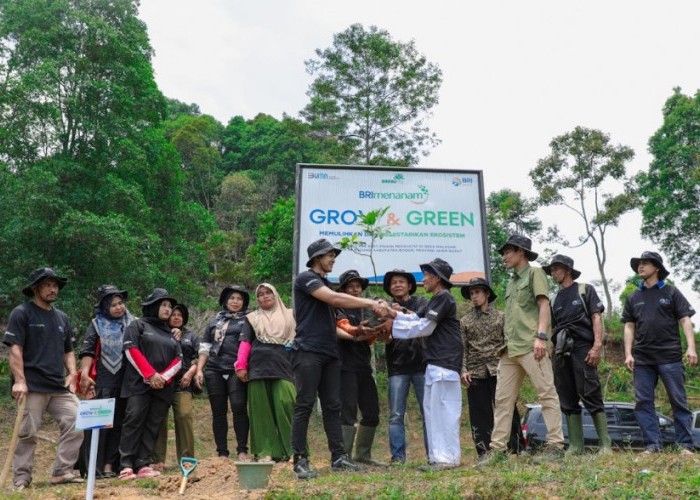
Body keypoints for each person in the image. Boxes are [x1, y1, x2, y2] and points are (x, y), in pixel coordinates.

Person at [290, 238, 385, 480]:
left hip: (331, 353)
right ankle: (300, 460)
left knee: (333, 406)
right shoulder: (306, 279)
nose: (333, 259)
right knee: (304, 404)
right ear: (316, 258)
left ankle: (339, 457)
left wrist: (355, 333)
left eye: (334, 255)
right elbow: (335, 299)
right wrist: (371, 302)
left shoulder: (325, 283)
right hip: (308, 351)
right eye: (329, 255)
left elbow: (332, 326)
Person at [478, 234, 564, 466]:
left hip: (531, 345)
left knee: (546, 393)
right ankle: (497, 450)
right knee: (503, 400)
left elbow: (543, 304)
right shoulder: (511, 282)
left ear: (521, 252)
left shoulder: (535, 273)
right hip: (509, 350)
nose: (504, 256)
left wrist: (541, 336)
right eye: (504, 252)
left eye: (508, 251)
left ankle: (555, 445)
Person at [3, 267, 84, 490]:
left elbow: (68, 351)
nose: (53, 289)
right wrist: (20, 380)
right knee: (27, 432)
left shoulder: (62, 318)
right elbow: (15, 349)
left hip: (58, 385)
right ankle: (22, 477)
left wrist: (72, 374)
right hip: (32, 385)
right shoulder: (22, 313)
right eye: (47, 285)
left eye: (55, 285)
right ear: (35, 288)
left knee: (77, 419)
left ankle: (62, 471)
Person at [380, 258, 463, 471]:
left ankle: (448, 458)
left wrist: (393, 327)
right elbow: (415, 318)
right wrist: (394, 314)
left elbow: (424, 327)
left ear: (437, 277)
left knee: (444, 412)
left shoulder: (444, 297)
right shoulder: (437, 299)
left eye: (426, 275)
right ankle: (438, 458)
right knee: (433, 412)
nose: (423, 279)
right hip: (435, 363)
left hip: (444, 363)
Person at [623, 251, 697, 455]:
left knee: (678, 400)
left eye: (645, 263)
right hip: (643, 359)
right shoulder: (633, 297)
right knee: (643, 402)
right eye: (639, 263)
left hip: (670, 357)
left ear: (656, 268)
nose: (640, 266)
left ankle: (684, 446)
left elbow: (685, 320)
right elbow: (629, 326)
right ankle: (652, 445)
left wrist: (691, 347)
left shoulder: (671, 293)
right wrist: (628, 353)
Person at [544, 255, 612, 455]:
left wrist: (597, 346)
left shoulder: (585, 290)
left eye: (556, 268)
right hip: (560, 351)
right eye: (552, 269)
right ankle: (576, 446)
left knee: (590, 391)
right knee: (566, 395)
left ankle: (605, 444)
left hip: (583, 348)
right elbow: (554, 329)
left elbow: (596, 317)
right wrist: (551, 354)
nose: (553, 273)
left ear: (567, 270)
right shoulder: (554, 299)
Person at [118, 288, 182, 480]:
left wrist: (162, 378)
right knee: (133, 420)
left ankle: (143, 464)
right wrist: (150, 374)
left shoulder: (171, 333)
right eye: (163, 305)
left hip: (163, 387)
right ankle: (126, 465)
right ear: (153, 306)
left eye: (170, 306)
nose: (168, 309)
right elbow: (131, 350)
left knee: (153, 424)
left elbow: (179, 359)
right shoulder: (137, 325)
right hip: (138, 385)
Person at [459, 277, 525, 458]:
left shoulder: (501, 317)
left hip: (500, 369)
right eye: (472, 293)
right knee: (480, 414)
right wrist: (463, 370)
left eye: (478, 292)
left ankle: (518, 448)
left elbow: (508, 343)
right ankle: (485, 452)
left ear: (487, 294)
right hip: (475, 371)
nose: (474, 296)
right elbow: (463, 348)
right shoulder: (465, 321)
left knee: (508, 408)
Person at [78, 284, 135, 478]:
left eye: (121, 303)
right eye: (113, 305)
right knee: (99, 425)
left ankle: (111, 465)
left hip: (126, 380)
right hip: (102, 379)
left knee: (119, 423)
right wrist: (85, 373)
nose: (119, 307)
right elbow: (87, 350)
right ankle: (94, 467)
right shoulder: (96, 324)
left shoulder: (133, 323)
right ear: (104, 308)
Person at [235, 283, 296, 462]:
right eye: (260, 294)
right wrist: (241, 366)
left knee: (287, 404)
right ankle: (265, 452)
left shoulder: (292, 315)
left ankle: (294, 450)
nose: (264, 296)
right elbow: (245, 342)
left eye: (268, 292)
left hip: (284, 365)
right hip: (258, 366)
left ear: (276, 294)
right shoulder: (252, 318)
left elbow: (302, 339)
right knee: (260, 411)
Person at [195, 285, 250, 461]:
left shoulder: (249, 320)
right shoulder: (213, 321)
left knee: (239, 407)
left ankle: (242, 450)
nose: (235, 302)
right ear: (225, 301)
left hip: (236, 370)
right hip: (214, 370)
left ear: (244, 302)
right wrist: (199, 370)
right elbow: (205, 347)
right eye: (232, 298)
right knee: (218, 411)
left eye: (239, 299)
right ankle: (222, 452)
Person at [335, 270, 384, 466]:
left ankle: (362, 455)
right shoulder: (339, 307)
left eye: (358, 286)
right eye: (350, 286)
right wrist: (358, 330)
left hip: (364, 365)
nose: (355, 289)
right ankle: (344, 457)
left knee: (371, 411)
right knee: (347, 411)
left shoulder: (367, 307)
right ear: (343, 289)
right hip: (344, 365)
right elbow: (342, 327)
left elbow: (372, 337)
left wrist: (377, 329)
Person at [381, 269, 428, 464]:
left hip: (422, 365)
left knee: (428, 412)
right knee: (395, 415)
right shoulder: (383, 308)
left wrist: (397, 312)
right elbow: (385, 337)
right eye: (393, 283)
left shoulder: (421, 302)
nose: (398, 285)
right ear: (389, 289)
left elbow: (424, 321)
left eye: (401, 282)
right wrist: (384, 333)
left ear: (409, 285)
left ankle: (433, 455)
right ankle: (398, 457)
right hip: (397, 366)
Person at [152, 304, 200, 468]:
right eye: (173, 314)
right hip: (163, 382)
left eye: (180, 314)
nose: (176, 317)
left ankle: (186, 459)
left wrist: (190, 373)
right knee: (160, 419)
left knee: (184, 416)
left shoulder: (191, 336)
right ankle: (157, 460)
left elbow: (198, 356)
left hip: (183, 382)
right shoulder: (159, 332)